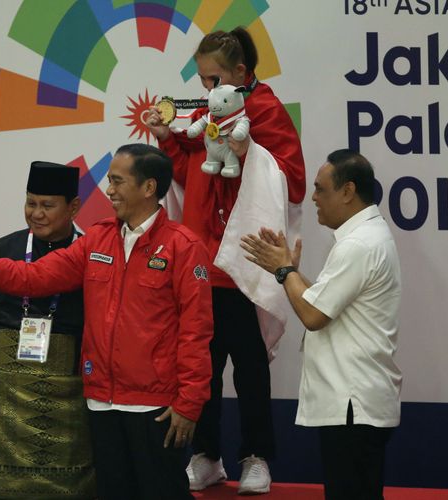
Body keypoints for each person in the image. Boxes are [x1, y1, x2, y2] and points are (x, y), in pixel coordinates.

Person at [0, 144, 213, 500]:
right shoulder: (98, 238)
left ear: (148, 188)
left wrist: (190, 403)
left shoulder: (184, 246)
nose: (109, 190)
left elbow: (197, 331)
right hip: (100, 403)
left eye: (117, 181)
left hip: (154, 406)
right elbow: (32, 277)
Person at [145, 26, 306, 494]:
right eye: (202, 80)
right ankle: (207, 454)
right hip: (201, 260)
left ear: (241, 72)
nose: (207, 90)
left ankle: (255, 457)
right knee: (201, 366)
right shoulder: (208, 112)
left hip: (244, 260)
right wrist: (166, 137)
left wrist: (249, 151)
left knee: (251, 366)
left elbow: (292, 179)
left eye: (213, 79)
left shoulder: (265, 110)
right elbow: (188, 173)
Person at [241, 149, 402, 500]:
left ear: (347, 191)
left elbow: (313, 316)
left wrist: (285, 272)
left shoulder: (359, 244)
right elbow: (326, 303)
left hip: (352, 404)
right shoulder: (367, 237)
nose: (312, 197)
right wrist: (290, 273)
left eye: (320, 189)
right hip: (356, 401)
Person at [0, 161, 95, 499]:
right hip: (4, 393)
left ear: (73, 207)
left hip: (70, 392)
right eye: (31, 203)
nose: (36, 213)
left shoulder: (91, 254)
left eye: (47, 205)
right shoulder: (4, 250)